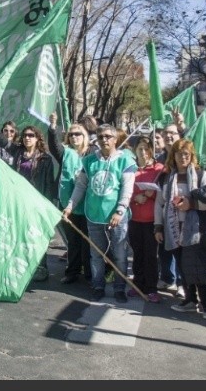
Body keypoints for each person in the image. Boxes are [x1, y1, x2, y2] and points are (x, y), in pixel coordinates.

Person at [63, 124, 136, 302]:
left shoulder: (125, 161)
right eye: (101, 136)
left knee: (119, 255)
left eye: (108, 136)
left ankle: (119, 288)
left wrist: (120, 211)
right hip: (94, 215)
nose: (104, 140)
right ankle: (98, 286)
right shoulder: (89, 161)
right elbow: (80, 186)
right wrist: (70, 206)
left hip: (116, 216)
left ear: (115, 139)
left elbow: (127, 189)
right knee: (96, 254)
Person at [155, 139, 206, 320]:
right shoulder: (167, 177)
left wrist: (192, 204)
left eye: (186, 154)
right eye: (179, 153)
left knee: (199, 267)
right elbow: (160, 203)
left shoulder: (202, 175)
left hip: (196, 229)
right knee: (183, 266)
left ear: (192, 156)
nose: (183, 157)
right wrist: (158, 227)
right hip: (173, 228)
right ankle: (190, 299)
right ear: (173, 156)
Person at [47, 113, 91, 284]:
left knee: (87, 243)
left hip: (88, 205)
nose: (74, 137)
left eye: (77, 134)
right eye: (71, 134)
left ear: (84, 136)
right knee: (73, 242)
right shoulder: (66, 153)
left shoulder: (92, 154)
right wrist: (52, 127)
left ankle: (89, 274)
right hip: (69, 205)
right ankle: (72, 272)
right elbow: (54, 146)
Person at [11, 125, 58, 281]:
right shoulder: (18, 154)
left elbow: (49, 184)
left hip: (37, 203)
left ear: (37, 138)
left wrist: (47, 204)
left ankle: (41, 267)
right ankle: (23, 265)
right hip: (19, 202)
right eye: (24, 135)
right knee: (20, 234)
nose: (27, 138)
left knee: (37, 235)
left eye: (31, 135)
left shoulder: (45, 159)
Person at [127, 135, 164, 302]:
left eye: (146, 149)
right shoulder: (130, 169)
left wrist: (153, 193)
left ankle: (151, 288)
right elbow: (124, 192)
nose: (143, 152)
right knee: (137, 254)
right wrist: (135, 198)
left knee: (150, 256)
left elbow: (165, 191)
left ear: (151, 151)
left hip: (151, 221)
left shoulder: (159, 170)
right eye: (140, 149)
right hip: (134, 219)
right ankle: (138, 284)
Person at [155, 123, 184, 296]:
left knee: (181, 250)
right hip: (165, 209)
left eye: (173, 133)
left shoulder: (185, 156)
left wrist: (183, 126)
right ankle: (167, 278)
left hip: (183, 211)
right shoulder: (160, 159)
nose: (168, 136)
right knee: (164, 246)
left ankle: (182, 282)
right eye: (166, 133)